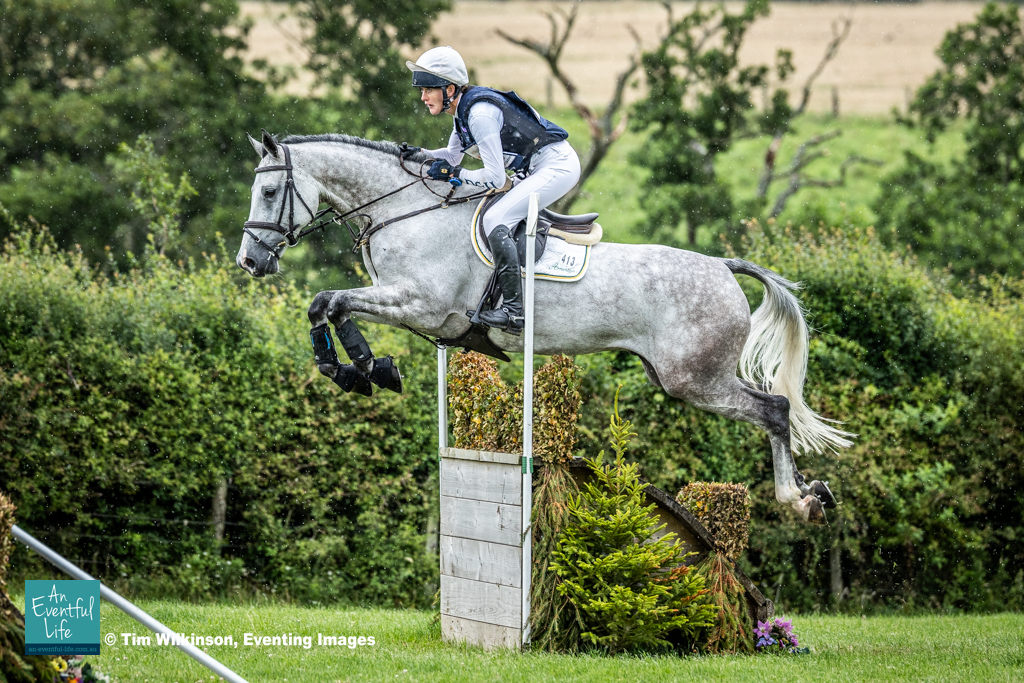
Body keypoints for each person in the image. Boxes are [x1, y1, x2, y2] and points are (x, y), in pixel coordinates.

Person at [407, 46, 581, 334]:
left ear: (449, 88)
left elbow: (497, 178)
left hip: (557, 166)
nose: (423, 98)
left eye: (428, 90)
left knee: (495, 218)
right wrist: (418, 155)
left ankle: (514, 311)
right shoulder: (461, 112)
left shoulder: (479, 115)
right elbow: (451, 156)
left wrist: (457, 176)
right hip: (535, 168)